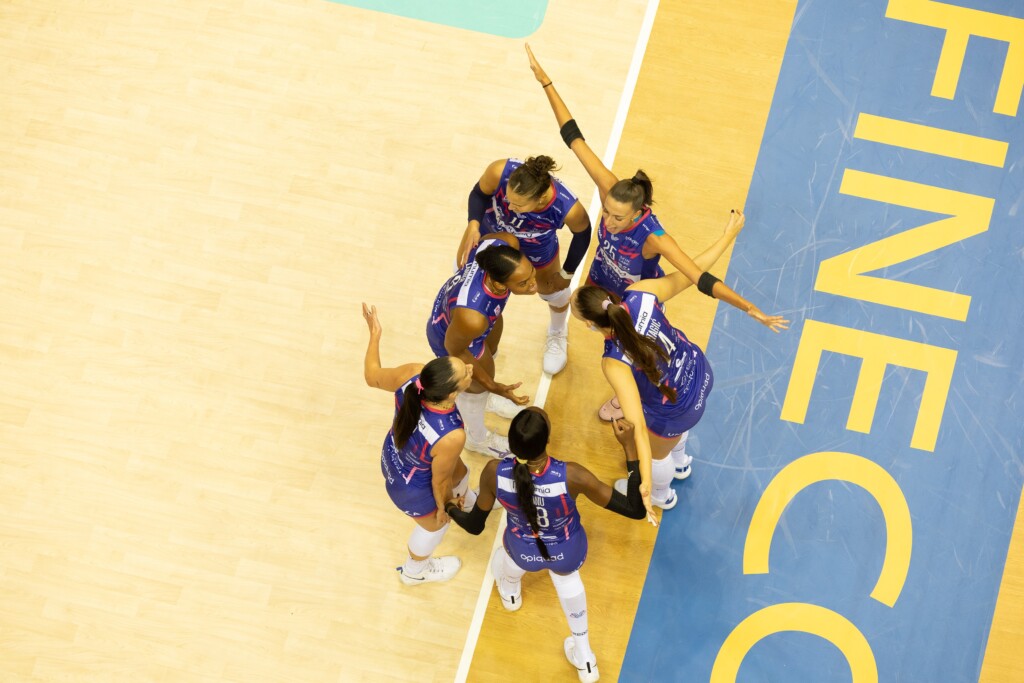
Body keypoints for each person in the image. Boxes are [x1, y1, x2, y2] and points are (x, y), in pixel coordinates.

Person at [526, 44, 788, 476]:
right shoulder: (613, 192)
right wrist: (546, 82)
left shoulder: (654, 238)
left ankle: (633, 400)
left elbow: (698, 278)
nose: (608, 221)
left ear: (639, 213)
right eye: (606, 212)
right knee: (609, 341)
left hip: (635, 298)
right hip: (601, 287)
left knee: (630, 352)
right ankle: (627, 391)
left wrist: (749, 306)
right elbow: (573, 138)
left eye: (617, 218)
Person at [447, 408, 647, 683]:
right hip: (567, 553)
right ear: (548, 439)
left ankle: (510, 593)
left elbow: (474, 526)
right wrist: (630, 448)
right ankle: (585, 658)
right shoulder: (573, 475)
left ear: (512, 443)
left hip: (522, 551)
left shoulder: (494, 472)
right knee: (568, 582)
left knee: (508, 558)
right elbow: (635, 510)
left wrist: (450, 507)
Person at [363, 303, 477, 586]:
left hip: (396, 454)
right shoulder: (452, 435)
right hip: (411, 488)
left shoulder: (414, 374)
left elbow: (372, 376)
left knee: (461, 472)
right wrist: (445, 508)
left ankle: (469, 503)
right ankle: (415, 571)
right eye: (465, 373)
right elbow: (440, 483)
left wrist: (375, 334)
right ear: (452, 394)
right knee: (436, 527)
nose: (470, 368)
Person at [458, 155, 593, 376]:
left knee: (553, 291)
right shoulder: (499, 171)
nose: (510, 207)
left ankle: (558, 331)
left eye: (518, 204)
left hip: (535, 247)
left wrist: (568, 272)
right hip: (491, 233)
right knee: (468, 281)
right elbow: (479, 194)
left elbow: (583, 234)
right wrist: (473, 223)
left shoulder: (568, 208)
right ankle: (484, 338)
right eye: (507, 199)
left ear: (540, 200)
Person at [427, 234, 538, 458]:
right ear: (498, 283)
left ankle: (488, 399)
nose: (533, 285)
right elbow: (455, 349)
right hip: (452, 337)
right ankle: (477, 439)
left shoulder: (502, 246)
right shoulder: (473, 319)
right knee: (476, 386)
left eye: (531, 274)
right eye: (523, 283)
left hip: (474, 320)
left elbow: (484, 238)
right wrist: (494, 386)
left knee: (488, 365)